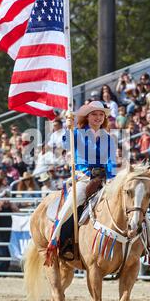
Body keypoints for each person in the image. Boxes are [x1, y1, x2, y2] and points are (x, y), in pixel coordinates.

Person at [49, 101, 117, 259]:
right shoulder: (78, 133)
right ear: (87, 117)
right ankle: (58, 238)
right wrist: (68, 127)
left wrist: (112, 178)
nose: (98, 117)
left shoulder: (108, 138)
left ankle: (145, 243)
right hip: (84, 176)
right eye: (94, 114)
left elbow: (111, 161)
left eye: (101, 114)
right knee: (75, 201)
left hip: (104, 178)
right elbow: (66, 143)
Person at [0, 197, 19, 273]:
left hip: (9, 236)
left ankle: (4, 273)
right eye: (3, 199)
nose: (6, 201)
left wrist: (14, 207)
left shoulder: (10, 208)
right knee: (1, 255)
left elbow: (21, 216)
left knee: (7, 255)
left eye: (7, 199)